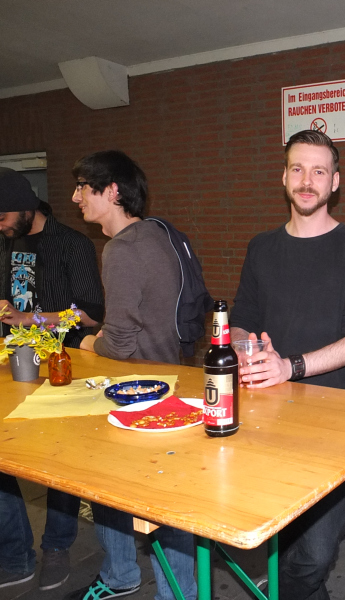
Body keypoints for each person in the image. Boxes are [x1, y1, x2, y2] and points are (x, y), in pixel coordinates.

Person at [230, 129, 345, 600]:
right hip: (266, 416)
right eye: (297, 168)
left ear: (335, 181)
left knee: (316, 550)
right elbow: (242, 320)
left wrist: (288, 367)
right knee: (286, 532)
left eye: (319, 171)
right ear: (284, 178)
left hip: (330, 422)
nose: (307, 180)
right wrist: (246, 349)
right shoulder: (261, 247)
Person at [63, 150, 197, 600]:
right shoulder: (157, 233)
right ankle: (137, 578)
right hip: (168, 378)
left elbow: (118, 344)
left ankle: (153, 586)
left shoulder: (121, 249)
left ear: (112, 191)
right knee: (154, 495)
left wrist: (85, 342)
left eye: (83, 187)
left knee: (137, 496)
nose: (76, 197)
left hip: (135, 391)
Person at [0, 168, 104, 592]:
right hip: (13, 361)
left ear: (26, 207)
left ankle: (57, 547)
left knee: (58, 460)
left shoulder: (72, 244)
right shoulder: (5, 241)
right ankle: (15, 554)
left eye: (3, 215)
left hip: (62, 365)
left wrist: (31, 319)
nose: (0, 224)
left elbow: (90, 314)